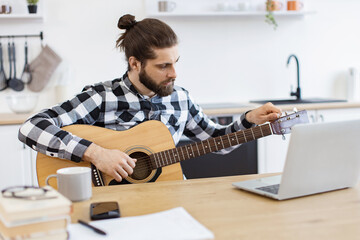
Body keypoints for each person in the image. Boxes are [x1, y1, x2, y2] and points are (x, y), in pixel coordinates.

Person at [18, 14, 281, 183]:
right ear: (135, 63)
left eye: (176, 63)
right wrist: (97, 154)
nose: (174, 73)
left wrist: (248, 121)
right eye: (163, 66)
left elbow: (217, 142)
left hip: (171, 196)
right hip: (111, 203)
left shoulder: (180, 99)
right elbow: (31, 128)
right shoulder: (102, 97)